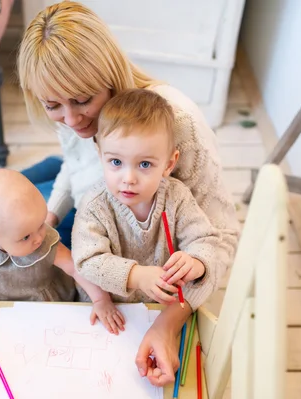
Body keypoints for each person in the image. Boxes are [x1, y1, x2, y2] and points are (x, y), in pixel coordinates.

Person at [13, 2, 241, 386]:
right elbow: (75, 161)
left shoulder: (176, 122)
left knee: (3, 223)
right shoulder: (74, 121)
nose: (70, 120)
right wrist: (50, 217)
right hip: (93, 193)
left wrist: (168, 324)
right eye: (53, 106)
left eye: (83, 101)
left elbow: (220, 237)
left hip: (126, 212)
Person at [72, 88, 222, 315]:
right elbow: (86, 261)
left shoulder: (177, 197)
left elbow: (205, 240)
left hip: (161, 306)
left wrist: (196, 262)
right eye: (115, 162)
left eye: (144, 164)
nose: (128, 179)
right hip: (111, 308)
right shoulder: (95, 205)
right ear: (100, 154)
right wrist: (137, 276)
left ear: (169, 164)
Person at [0, 169, 126, 335]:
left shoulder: (44, 242)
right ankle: (51, 165)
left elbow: (76, 269)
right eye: (26, 237)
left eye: (40, 224)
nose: (39, 238)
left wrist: (100, 299)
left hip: (41, 306)